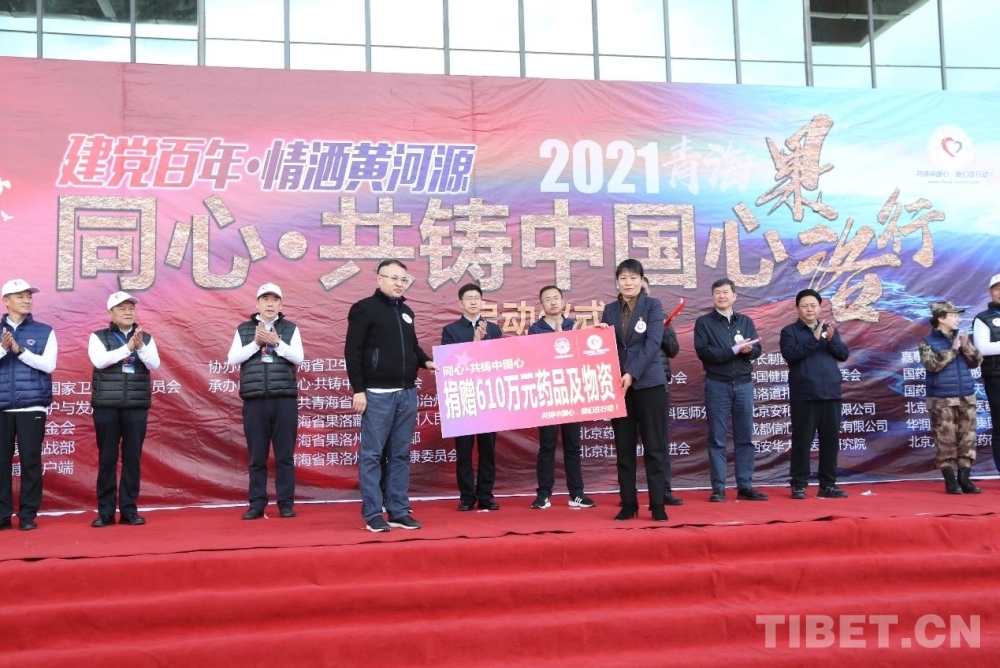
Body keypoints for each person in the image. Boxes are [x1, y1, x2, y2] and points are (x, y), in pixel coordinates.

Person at [346, 260, 436, 533]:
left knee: (400, 455)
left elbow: (412, 346)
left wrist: (426, 362)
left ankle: (398, 510)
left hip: (407, 392)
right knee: (372, 455)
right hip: (377, 394)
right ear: (379, 279)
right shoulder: (364, 308)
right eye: (393, 278)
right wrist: (359, 390)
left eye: (403, 279)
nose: (399, 283)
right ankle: (373, 513)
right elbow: (353, 351)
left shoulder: (406, 312)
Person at [227, 282, 304, 520]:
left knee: (284, 456)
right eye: (265, 299)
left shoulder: (291, 328)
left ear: (280, 304)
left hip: (284, 400)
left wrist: (276, 342)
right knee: (257, 456)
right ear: (257, 303)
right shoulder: (243, 329)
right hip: (255, 401)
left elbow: (299, 358)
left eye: (274, 300)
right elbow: (232, 359)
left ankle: (285, 504)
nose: (270, 304)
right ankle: (257, 504)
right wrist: (256, 343)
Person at [600, 259, 668, 522]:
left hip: (649, 384)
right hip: (620, 387)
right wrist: (599, 335)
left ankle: (658, 504)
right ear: (617, 281)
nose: (628, 283)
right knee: (624, 449)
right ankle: (628, 503)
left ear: (641, 279)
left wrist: (632, 372)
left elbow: (653, 343)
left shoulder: (653, 305)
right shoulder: (609, 310)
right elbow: (607, 346)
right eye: (623, 278)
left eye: (633, 278)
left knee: (654, 447)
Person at [88, 291, 162, 527]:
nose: (128, 312)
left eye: (131, 308)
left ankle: (129, 510)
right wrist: (128, 348)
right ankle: (106, 512)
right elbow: (100, 361)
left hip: (136, 405)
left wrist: (139, 347)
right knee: (107, 459)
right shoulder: (98, 336)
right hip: (106, 406)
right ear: (110, 313)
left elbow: (154, 363)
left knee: (132, 459)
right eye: (122, 308)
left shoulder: (145, 337)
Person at [693, 277, 767, 502]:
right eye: (717, 292)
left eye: (726, 292)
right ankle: (718, 488)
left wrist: (749, 351)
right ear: (712, 297)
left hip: (744, 385)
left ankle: (745, 485)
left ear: (734, 296)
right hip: (717, 385)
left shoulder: (745, 321)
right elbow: (704, 352)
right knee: (717, 438)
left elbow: (758, 349)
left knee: (745, 437)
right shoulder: (704, 323)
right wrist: (732, 351)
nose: (721, 296)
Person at [527, 285, 595, 510]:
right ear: (542, 305)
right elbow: (534, 361)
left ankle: (576, 494)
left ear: (563, 301)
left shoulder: (573, 326)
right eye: (548, 299)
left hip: (571, 393)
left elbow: (585, 358)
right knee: (547, 445)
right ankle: (543, 494)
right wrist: (557, 342)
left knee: (572, 445)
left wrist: (575, 337)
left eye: (556, 298)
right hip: (548, 393)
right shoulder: (535, 330)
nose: (553, 302)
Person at [779, 289, 849, 500]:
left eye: (813, 305)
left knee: (830, 442)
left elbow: (843, 355)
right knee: (802, 441)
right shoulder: (789, 332)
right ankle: (798, 484)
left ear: (820, 307)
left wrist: (832, 340)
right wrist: (814, 339)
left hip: (831, 394)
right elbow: (790, 355)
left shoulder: (829, 329)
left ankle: (828, 485)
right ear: (797, 309)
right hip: (805, 395)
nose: (809, 309)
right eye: (805, 306)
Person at [0, 279, 57, 531]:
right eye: (20, 296)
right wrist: (3, 349)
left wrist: (19, 350)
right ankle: (2, 515)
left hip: (32, 406)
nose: (26, 300)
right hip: (1, 407)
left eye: (29, 296)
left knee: (30, 460)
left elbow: (48, 365)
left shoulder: (45, 331)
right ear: (6, 301)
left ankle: (27, 515)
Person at [441, 283, 503, 511]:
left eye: (477, 297)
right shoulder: (451, 330)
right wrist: (475, 343)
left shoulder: (494, 329)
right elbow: (448, 363)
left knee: (488, 450)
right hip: (462, 396)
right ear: (461, 303)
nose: (473, 301)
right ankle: (467, 496)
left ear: (482, 301)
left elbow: (500, 361)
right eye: (469, 298)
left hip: (488, 397)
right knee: (464, 451)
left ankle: (486, 495)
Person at [920, 300, 982, 494]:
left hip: (966, 397)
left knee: (967, 439)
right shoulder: (927, 342)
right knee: (945, 440)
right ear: (941, 318)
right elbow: (931, 365)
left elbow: (976, 362)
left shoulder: (961, 338)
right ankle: (950, 481)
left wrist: (966, 347)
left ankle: (964, 479)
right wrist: (953, 350)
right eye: (953, 315)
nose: (957, 319)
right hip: (942, 399)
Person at [642, 276, 683, 507]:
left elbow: (674, 350)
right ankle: (628, 493)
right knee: (628, 442)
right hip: (629, 386)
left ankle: (663, 490)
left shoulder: (660, 316)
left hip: (658, 385)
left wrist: (664, 329)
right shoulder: (621, 317)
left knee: (659, 441)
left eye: (644, 288)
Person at [971, 273, 1000, 474]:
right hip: (996, 377)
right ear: (990, 292)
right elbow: (982, 348)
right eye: (997, 288)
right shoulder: (983, 318)